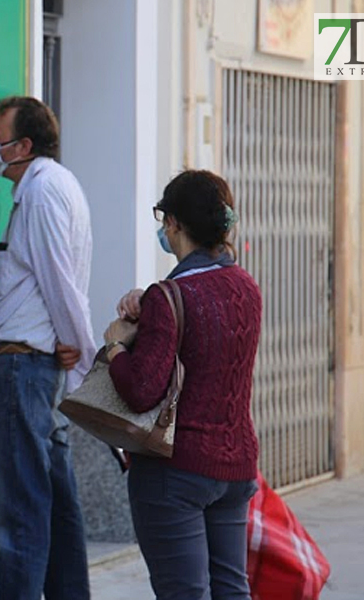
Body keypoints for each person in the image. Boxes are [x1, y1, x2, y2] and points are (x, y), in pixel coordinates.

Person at [103, 170, 261, 600]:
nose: (162, 228)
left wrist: (117, 346)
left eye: (162, 217)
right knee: (233, 590)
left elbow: (141, 389)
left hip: (176, 471)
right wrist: (150, 306)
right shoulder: (247, 288)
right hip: (236, 467)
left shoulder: (169, 296)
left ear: (174, 222)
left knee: (184, 593)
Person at [0, 96, 94, 600]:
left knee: (21, 513)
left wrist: (78, 349)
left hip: (25, 368)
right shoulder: (51, 185)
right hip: (37, 366)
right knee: (56, 505)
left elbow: (60, 282)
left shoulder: (43, 192)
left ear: (22, 145)